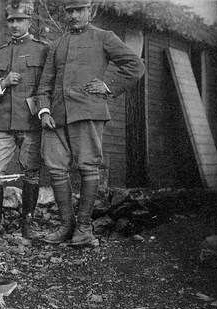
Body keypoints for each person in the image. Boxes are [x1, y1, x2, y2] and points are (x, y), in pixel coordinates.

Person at [37, 0, 145, 245]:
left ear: (89, 11)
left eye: (78, 10)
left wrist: (109, 87)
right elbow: (45, 82)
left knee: (88, 167)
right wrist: (44, 110)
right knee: (55, 168)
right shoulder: (57, 44)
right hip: (56, 116)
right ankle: (66, 226)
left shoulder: (104, 37)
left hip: (87, 111)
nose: (73, 15)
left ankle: (84, 229)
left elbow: (135, 65)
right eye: (69, 11)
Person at [0, 1, 49, 246]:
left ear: (29, 22)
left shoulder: (43, 50)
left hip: (30, 122)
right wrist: (3, 82)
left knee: (31, 171)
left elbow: (48, 84)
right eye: (11, 21)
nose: (15, 25)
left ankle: (28, 222)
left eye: (19, 20)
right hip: (2, 123)